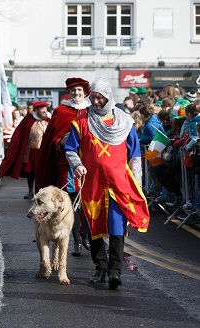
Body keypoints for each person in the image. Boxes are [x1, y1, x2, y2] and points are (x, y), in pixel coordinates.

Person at [64, 77, 150, 290]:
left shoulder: (124, 122)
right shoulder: (82, 122)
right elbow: (70, 149)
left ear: (108, 97)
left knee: (116, 227)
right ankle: (100, 267)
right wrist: (77, 165)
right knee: (93, 226)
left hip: (118, 184)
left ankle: (115, 271)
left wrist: (137, 184)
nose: (94, 101)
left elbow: (136, 155)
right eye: (92, 97)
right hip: (93, 183)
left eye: (99, 97)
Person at [35, 77, 91, 256]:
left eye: (80, 90)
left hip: (89, 165)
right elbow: (52, 139)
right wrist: (62, 141)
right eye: (73, 90)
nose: (76, 93)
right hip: (67, 166)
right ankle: (76, 241)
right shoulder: (61, 111)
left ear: (85, 92)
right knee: (70, 204)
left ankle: (88, 236)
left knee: (88, 203)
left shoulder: (92, 111)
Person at [0, 101, 49, 199]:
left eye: (45, 109)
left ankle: (41, 192)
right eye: (42, 109)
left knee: (42, 173)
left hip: (43, 152)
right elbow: (19, 134)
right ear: (36, 110)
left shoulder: (48, 120)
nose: (44, 111)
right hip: (31, 152)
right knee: (31, 173)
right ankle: (30, 191)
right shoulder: (28, 120)